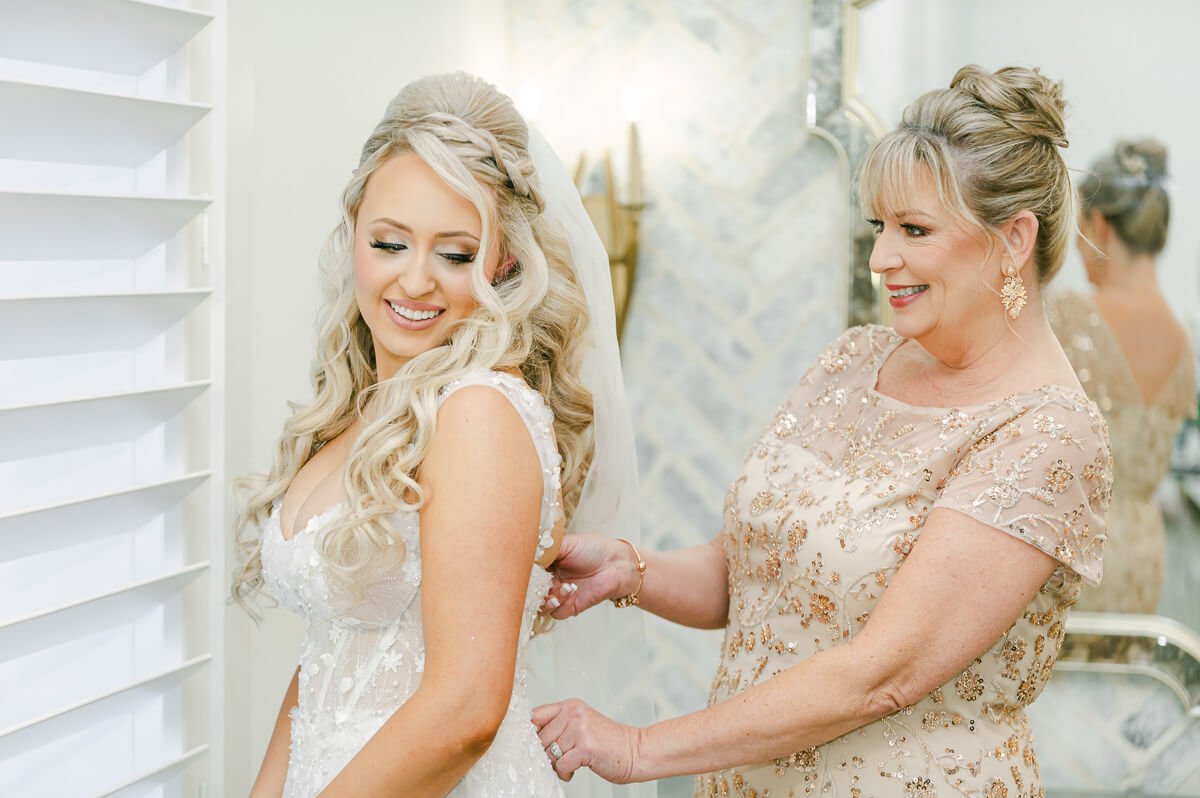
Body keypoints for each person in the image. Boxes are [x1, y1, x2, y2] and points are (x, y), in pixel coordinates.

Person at [534, 65, 1112, 797]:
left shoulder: (1047, 435)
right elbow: (748, 576)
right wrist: (631, 570)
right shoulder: (855, 360)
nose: (881, 259)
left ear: (1014, 239)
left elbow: (883, 674)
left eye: (914, 230)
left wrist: (639, 748)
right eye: (879, 227)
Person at [230, 72, 645, 798]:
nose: (415, 281)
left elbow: (465, 711)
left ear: (503, 261)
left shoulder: (479, 411)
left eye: (454, 254)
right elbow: (330, 662)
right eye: (389, 243)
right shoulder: (363, 408)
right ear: (354, 228)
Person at [1052, 139, 1195, 613]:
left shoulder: (1068, 317)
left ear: (1099, 226)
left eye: (1078, 229)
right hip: (1144, 553)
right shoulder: (1185, 342)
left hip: (1076, 548)